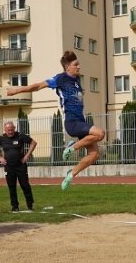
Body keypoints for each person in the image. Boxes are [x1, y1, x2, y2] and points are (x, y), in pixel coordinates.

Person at [7, 50, 106, 190]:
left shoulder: (77, 80)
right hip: (72, 122)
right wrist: (16, 91)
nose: (79, 67)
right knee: (100, 133)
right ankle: (72, 147)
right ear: (67, 67)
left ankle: (71, 174)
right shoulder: (60, 79)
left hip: (81, 121)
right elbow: (37, 86)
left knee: (95, 154)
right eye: (76, 64)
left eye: (78, 64)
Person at [0, 121, 37, 212]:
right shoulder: (2, 138)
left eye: (12, 130)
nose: (10, 132)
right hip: (9, 166)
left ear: (14, 128)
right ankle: (15, 207)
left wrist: (27, 156)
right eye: (8, 130)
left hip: (21, 165)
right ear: (5, 130)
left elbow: (33, 143)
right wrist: (0, 157)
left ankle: (30, 205)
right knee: (11, 187)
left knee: (25, 185)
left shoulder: (20, 135)